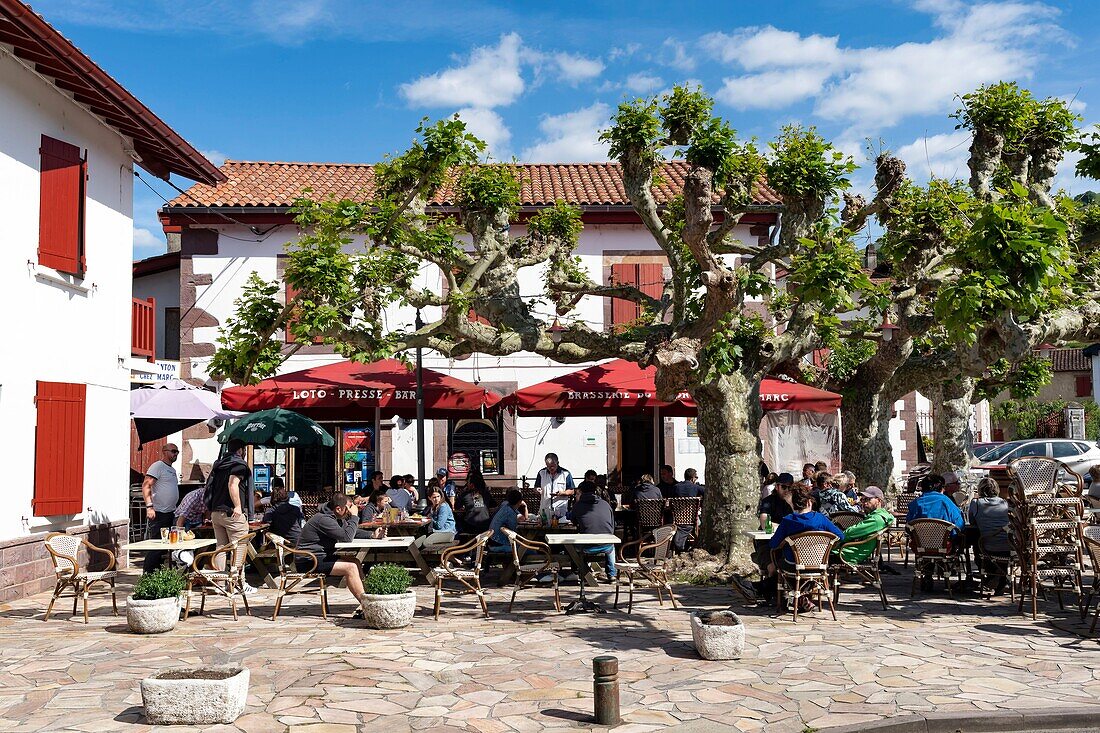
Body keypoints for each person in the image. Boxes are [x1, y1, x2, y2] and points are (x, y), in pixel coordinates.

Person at [762, 484, 843, 608]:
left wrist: (785, 541)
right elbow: (840, 536)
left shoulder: (788, 521)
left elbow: (773, 544)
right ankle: (800, 597)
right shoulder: (821, 519)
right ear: (809, 502)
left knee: (776, 559)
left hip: (793, 565)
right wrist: (828, 546)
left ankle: (788, 596)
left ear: (793, 505)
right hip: (819, 565)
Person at [295, 494, 365, 615]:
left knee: (355, 562)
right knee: (351, 567)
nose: (349, 510)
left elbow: (349, 531)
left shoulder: (334, 517)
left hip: (320, 556)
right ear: (338, 508)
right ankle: (367, 605)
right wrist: (354, 516)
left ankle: (368, 598)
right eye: (348, 507)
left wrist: (372, 535)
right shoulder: (324, 519)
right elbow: (347, 537)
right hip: (309, 560)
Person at [906, 473, 965, 591]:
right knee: (958, 540)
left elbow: (908, 525)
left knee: (928, 544)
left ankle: (927, 574)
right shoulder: (946, 502)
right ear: (941, 488)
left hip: (920, 546)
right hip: (944, 546)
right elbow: (959, 524)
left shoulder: (916, 503)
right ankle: (948, 570)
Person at [206, 439, 252, 574]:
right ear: (240, 450)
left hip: (216, 512)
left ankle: (220, 582)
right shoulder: (239, 465)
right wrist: (238, 506)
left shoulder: (219, 465)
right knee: (239, 547)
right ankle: (238, 582)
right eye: (244, 450)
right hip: (232, 513)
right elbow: (232, 484)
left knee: (221, 547)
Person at [141, 443, 180, 573]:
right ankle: (148, 574)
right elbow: (146, 485)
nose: (175, 454)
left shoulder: (172, 470)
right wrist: (149, 507)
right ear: (164, 451)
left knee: (165, 546)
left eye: (177, 452)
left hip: (170, 512)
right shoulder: (158, 466)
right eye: (173, 451)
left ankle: (158, 573)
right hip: (158, 512)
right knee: (156, 545)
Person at [968, 477, 1011, 594]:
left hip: (987, 545)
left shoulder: (976, 503)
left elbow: (972, 522)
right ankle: (999, 577)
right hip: (1008, 545)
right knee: (999, 546)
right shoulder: (1004, 503)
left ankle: (992, 576)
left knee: (976, 543)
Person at [568, 481, 617, 580]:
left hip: (586, 545)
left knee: (571, 546)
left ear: (581, 492)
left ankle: (580, 571)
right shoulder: (605, 504)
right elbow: (612, 524)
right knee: (611, 545)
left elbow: (573, 520)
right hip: (606, 544)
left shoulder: (578, 505)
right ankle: (612, 574)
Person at [835, 487, 895, 564]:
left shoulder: (876, 519)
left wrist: (833, 538)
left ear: (878, 501)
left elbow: (849, 533)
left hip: (847, 554)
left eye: (867, 499)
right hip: (849, 551)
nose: (864, 503)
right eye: (862, 500)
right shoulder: (879, 516)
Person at [535, 453, 575, 518]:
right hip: (545, 510)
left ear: (558, 463)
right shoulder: (541, 473)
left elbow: (572, 491)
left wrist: (562, 493)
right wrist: (537, 490)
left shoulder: (565, 473)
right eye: (548, 466)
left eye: (553, 466)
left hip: (560, 510)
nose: (551, 468)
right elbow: (536, 487)